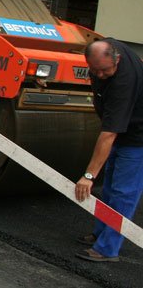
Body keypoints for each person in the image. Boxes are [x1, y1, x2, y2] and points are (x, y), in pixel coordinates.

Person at [74, 38, 143, 263]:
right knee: (110, 188)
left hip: (138, 138)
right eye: (95, 71)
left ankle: (107, 249)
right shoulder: (104, 50)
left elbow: (109, 134)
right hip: (123, 130)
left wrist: (88, 176)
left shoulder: (124, 81)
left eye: (105, 71)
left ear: (117, 59)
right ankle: (101, 232)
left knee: (124, 194)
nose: (100, 75)